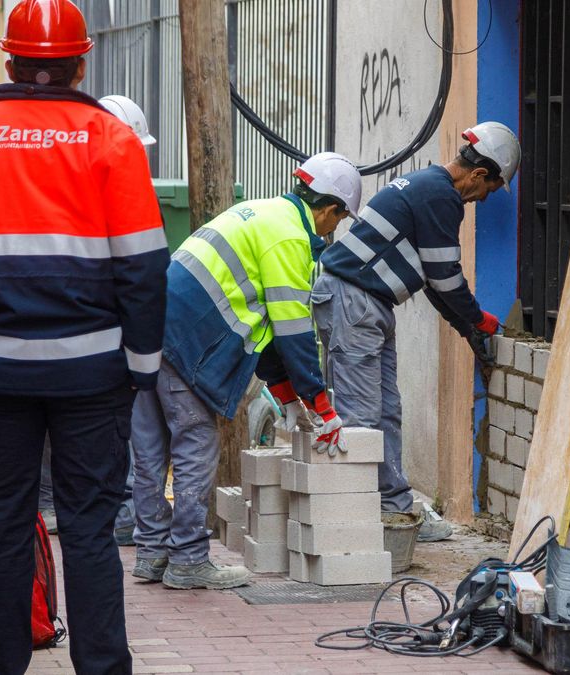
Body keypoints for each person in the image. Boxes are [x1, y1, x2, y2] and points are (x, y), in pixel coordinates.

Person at [0, 0, 168, 672]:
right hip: (94, 375)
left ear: (8, 62)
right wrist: (141, 368)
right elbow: (143, 268)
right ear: (81, 64)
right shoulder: (111, 140)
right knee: (88, 530)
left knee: (4, 525)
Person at [131, 152, 359, 589]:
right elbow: (292, 331)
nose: (335, 228)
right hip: (187, 343)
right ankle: (188, 560)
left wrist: (287, 397)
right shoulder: (290, 237)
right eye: (340, 218)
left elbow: (266, 328)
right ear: (328, 209)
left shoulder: (263, 211)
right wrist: (322, 405)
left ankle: (152, 552)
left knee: (150, 451)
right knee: (195, 446)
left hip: (149, 332)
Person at [314, 121, 519, 541]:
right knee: (361, 419)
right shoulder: (441, 197)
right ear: (479, 174)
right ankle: (353, 530)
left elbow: (430, 279)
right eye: (490, 188)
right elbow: (445, 277)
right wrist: (478, 320)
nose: (484, 198)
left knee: (385, 411)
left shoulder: (426, 185)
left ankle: (394, 510)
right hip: (355, 302)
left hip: (366, 303)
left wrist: (466, 327)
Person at [37, 94, 155, 544]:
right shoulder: (114, 199)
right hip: (97, 347)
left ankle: (53, 504)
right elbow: (139, 281)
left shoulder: (58, 188)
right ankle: (104, 509)